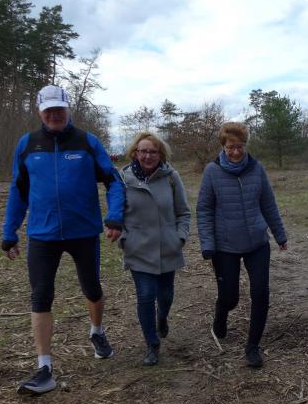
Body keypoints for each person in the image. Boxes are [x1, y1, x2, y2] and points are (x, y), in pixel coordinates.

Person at [2, 85, 125, 395]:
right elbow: (18, 190)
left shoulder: (87, 142)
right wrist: (9, 231)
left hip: (83, 232)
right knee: (40, 296)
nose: (54, 115)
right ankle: (44, 368)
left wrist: (115, 217)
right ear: (40, 112)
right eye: (49, 110)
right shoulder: (27, 144)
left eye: (59, 109)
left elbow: (113, 181)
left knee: (92, 289)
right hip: (42, 234)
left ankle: (97, 331)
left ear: (68, 109)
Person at [197, 122, 287, 368]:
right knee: (230, 298)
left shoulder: (257, 169)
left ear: (246, 145)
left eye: (240, 146)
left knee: (260, 293)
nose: (236, 152)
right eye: (230, 147)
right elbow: (204, 209)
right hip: (225, 246)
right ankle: (221, 312)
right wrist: (207, 243)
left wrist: (280, 235)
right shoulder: (212, 172)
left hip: (257, 243)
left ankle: (252, 346)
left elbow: (268, 203)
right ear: (223, 147)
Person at [119, 132, 190, 366]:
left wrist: (180, 237)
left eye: (153, 152)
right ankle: (152, 344)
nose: (148, 156)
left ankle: (162, 317)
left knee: (165, 295)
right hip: (137, 249)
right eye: (143, 151)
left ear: (161, 155)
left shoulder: (171, 177)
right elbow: (116, 213)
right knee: (146, 295)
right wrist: (124, 239)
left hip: (167, 247)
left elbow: (183, 212)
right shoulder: (123, 179)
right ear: (135, 153)